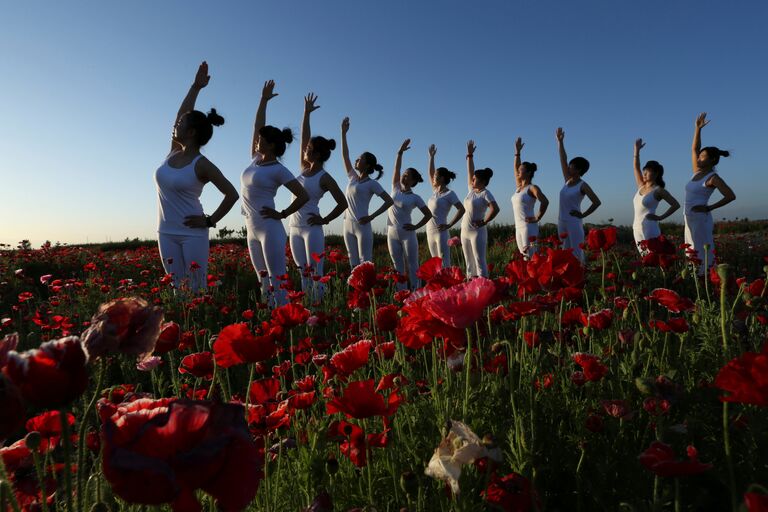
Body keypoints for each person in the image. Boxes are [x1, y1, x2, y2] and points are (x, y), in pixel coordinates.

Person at [155, 61, 238, 292]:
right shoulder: (173, 151)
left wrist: (210, 221)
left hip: (193, 234)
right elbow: (181, 114)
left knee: (196, 288)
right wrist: (196, 87)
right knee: (176, 290)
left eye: (180, 124)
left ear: (191, 132)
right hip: (166, 232)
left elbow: (232, 194)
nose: (175, 125)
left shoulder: (202, 165)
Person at [242, 80, 309, 307]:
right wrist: (263, 101)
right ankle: (269, 320)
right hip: (251, 229)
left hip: (270, 230)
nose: (257, 140)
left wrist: (282, 213)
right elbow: (256, 127)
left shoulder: (279, 170)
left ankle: (283, 318)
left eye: (262, 139)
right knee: (263, 280)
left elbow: (303, 196)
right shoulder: (256, 159)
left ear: (270, 145)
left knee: (277, 279)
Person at [289, 93, 347, 301]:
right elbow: (304, 138)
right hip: (294, 227)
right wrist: (306, 114)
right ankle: (307, 309)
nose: (305, 150)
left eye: (309, 149)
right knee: (301, 271)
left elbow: (343, 203)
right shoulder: (304, 169)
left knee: (315, 273)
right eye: (306, 148)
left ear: (318, 155)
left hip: (312, 229)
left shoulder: (325, 178)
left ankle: (319, 307)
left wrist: (325, 219)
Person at [685, 113, 736, 273]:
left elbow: (730, 196)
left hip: (701, 219)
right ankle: (695, 278)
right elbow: (694, 149)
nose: (699, 158)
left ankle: (707, 277)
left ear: (712, 160)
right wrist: (697, 129)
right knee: (691, 250)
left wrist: (708, 208)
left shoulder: (712, 178)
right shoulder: (695, 172)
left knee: (701, 250)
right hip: (689, 218)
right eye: (699, 156)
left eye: (703, 156)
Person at [340, 117, 394, 267]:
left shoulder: (372, 184)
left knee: (366, 262)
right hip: (347, 224)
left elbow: (389, 201)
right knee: (353, 262)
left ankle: (367, 290)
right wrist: (343, 133)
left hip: (362, 226)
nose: (357, 159)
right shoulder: (352, 177)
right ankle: (355, 291)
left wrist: (371, 216)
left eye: (360, 158)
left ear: (367, 164)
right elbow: (345, 156)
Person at [387, 139, 433, 289]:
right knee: (397, 266)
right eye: (403, 174)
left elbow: (428, 214)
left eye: (407, 176)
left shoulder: (415, 198)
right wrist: (400, 152)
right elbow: (396, 168)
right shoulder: (395, 188)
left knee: (413, 266)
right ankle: (402, 294)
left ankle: (416, 292)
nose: (403, 177)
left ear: (412, 181)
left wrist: (415, 226)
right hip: (391, 233)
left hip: (408, 235)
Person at [555, 127, 601, 262]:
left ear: (579, 170)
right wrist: (560, 142)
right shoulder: (567, 180)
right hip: (561, 221)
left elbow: (596, 202)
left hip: (574, 222)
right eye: (569, 166)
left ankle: (581, 277)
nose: (568, 168)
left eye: (572, 166)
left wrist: (583, 215)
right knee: (564, 252)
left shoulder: (583, 185)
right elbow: (562, 159)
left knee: (576, 252)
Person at [631, 138, 680, 252]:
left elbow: (675, 205)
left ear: (656, 173)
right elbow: (635, 167)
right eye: (644, 171)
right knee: (645, 259)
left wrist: (660, 217)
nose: (644, 173)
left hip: (650, 227)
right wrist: (636, 151)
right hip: (636, 227)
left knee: (655, 256)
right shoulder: (641, 186)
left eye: (648, 171)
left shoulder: (659, 190)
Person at [461, 140, 499, 278]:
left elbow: (495, 209)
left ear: (482, 182)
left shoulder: (485, 193)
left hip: (477, 232)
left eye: (475, 179)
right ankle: (470, 287)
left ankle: (484, 287)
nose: (472, 180)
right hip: (465, 230)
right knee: (469, 263)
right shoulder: (471, 191)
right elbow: (470, 171)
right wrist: (470, 155)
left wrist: (484, 222)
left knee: (479, 261)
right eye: (472, 179)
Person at [426, 144, 465, 267]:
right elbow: (431, 173)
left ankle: (448, 286)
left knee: (445, 263)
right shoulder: (435, 191)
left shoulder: (450, 194)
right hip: (429, 231)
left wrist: (449, 224)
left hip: (441, 232)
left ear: (442, 179)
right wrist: (431, 157)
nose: (433, 178)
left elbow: (461, 209)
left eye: (436, 177)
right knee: (435, 264)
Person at [512, 137, 549, 258]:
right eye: (518, 170)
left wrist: (537, 217)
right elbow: (516, 167)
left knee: (531, 257)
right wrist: (517, 152)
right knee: (524, 257)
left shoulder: (532, 188)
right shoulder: (519, 187)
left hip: (528, 227)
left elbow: (545, 201)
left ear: (528, 173)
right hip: (518, 227)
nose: (518, 171)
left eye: (521, 170)